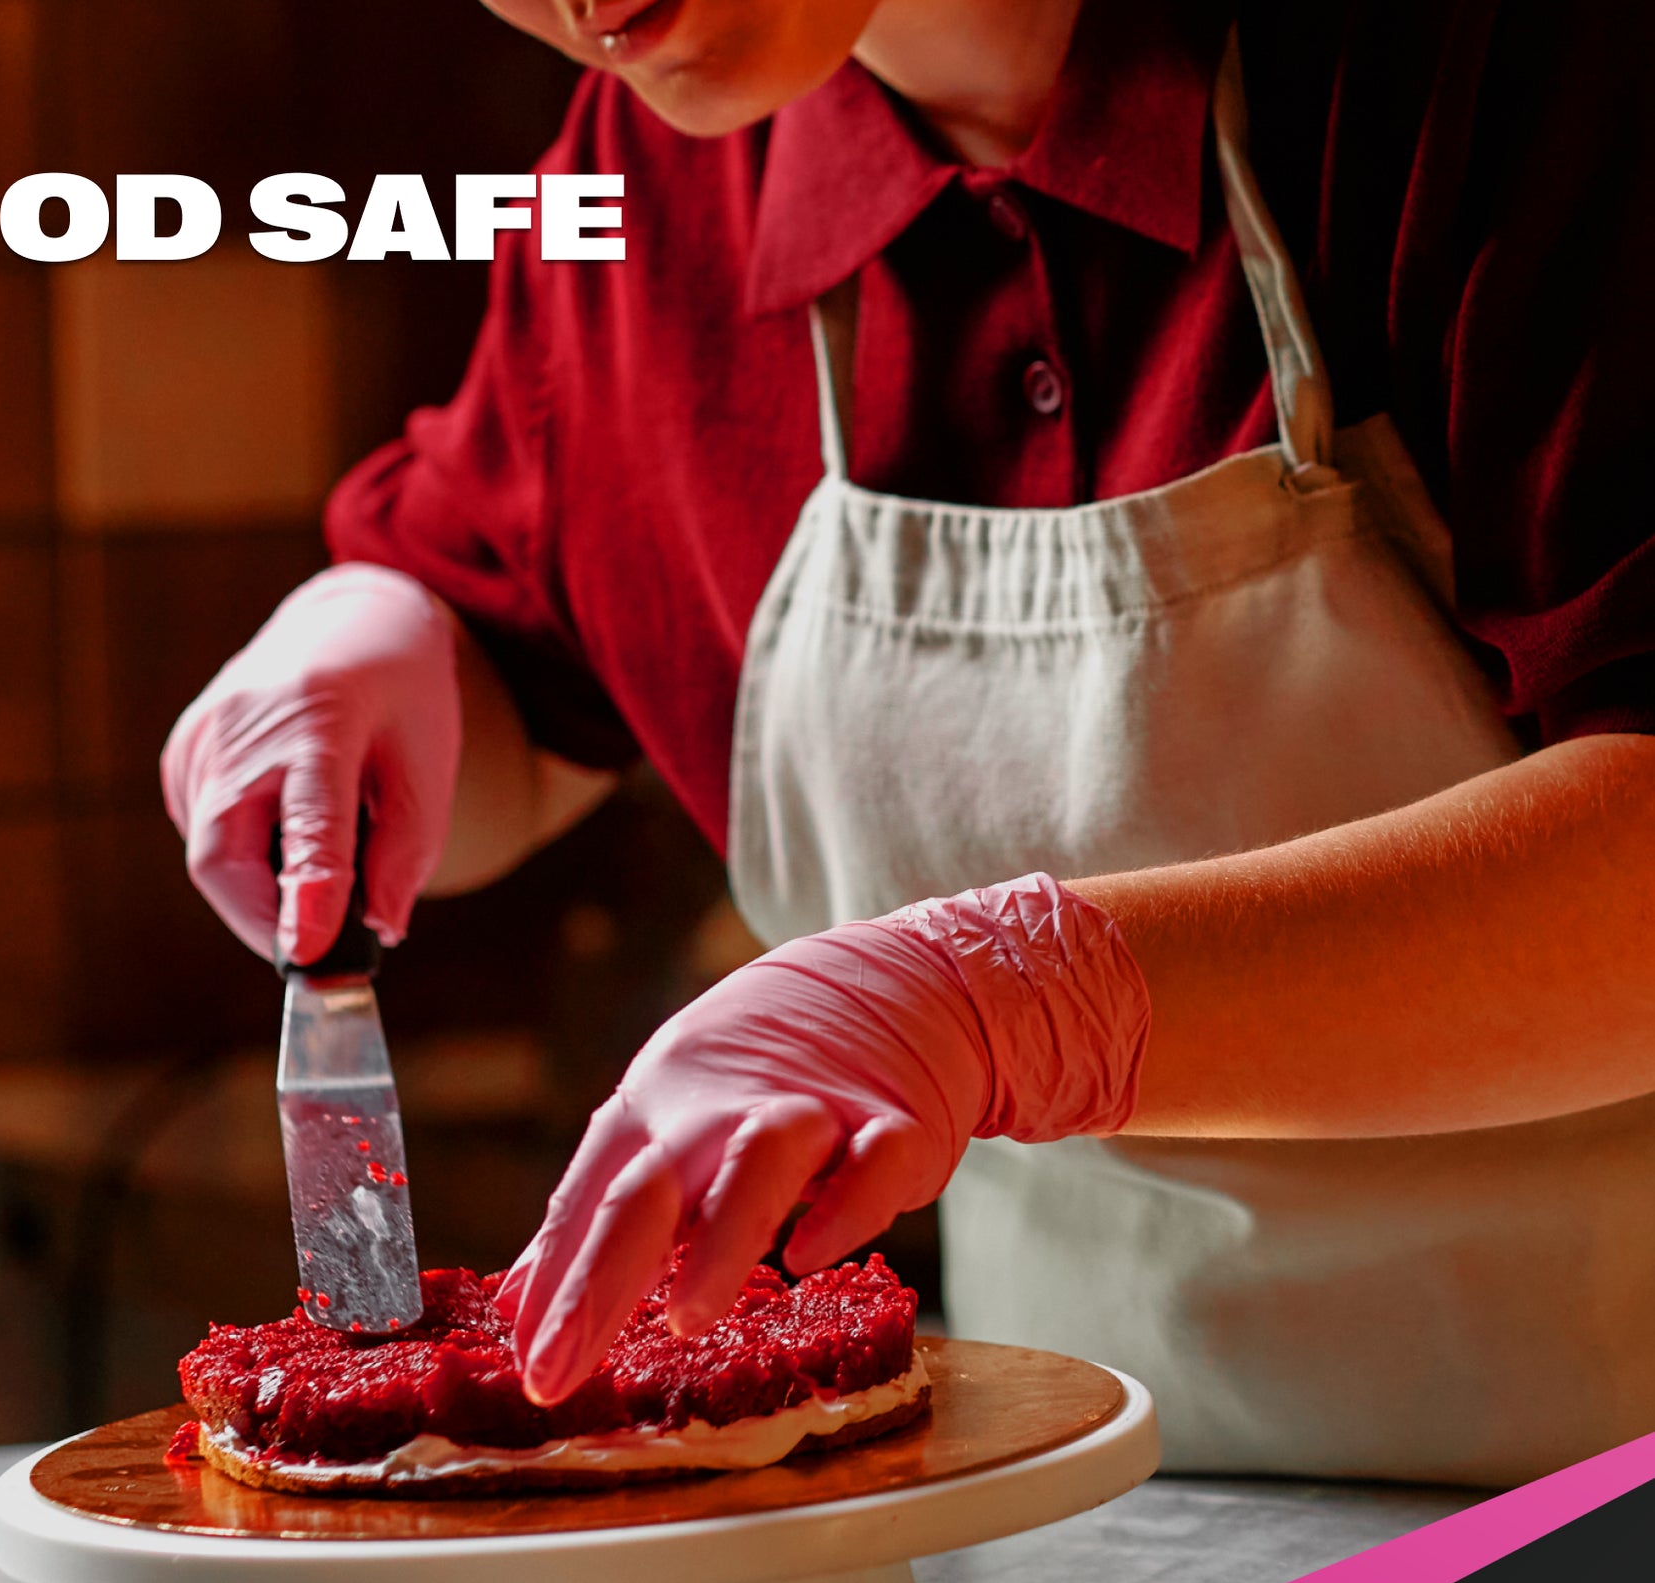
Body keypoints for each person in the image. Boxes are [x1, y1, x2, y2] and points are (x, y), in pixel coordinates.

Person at [162, 0, 1655, 1486]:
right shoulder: (661, 182)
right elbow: (517, 691)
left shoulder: (1504, 68)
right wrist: (383, 641)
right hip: (1107, 1519)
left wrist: (1013, 1002)